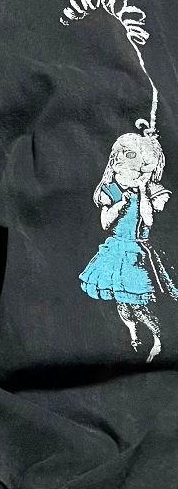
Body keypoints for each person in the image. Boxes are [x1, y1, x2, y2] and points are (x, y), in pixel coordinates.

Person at [79, 129, 178, 360]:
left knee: (139, 303)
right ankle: (134, 335)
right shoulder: (111, 190)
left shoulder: (153, 191)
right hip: (116, 250)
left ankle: (158, 339)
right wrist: (118, 205)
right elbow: (105, 223)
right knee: (122, 302)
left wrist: (142, 191)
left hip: (138, 251)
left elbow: (149, 220)